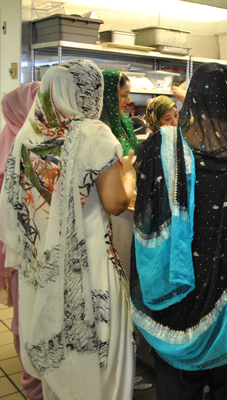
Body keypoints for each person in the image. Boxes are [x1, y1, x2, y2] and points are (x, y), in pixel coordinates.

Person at [130, 62, 227, 400]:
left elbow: (144, 209)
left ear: (190, 98)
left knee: (179, 385)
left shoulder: (157, 148)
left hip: (178, 285)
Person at [0, 59, 136, 400]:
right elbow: (117, 202)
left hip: (45, 267)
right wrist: (129, 173)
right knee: (97, 348)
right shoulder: (92, 133)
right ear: (90, 94)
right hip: (88, 264)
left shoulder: (27, 138)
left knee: (59, 347)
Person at [0, 82, 44, 400]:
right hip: (19, 244)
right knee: (26, 318)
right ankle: (32, 381)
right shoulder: (16, 143)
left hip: (32, 242)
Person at [101, 69, 139, 155]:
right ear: (108, 96)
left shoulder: (125, 121)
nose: (129, 101)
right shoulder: (96, 128)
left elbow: (136, 150)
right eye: (123, 95)